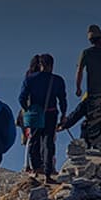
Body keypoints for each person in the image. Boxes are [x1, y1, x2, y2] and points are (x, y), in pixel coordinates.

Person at [17, 53, 67, 181]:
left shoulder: (30, 79)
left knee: (34, 140)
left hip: (35, 114)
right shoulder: (57, 80)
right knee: (48, 142)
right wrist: (63, 115)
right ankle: (48, 172)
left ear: (40, 65)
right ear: (52, 65)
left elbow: (21, 98)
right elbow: (62, 100)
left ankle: (36, 169)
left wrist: (28, 110)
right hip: (51, 113)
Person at [70, 26, 101, 148]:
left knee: (94, 119)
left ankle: (97, 144)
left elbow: (79, 70)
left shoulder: (86, 53)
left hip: (94, 91)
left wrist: (78, 87)